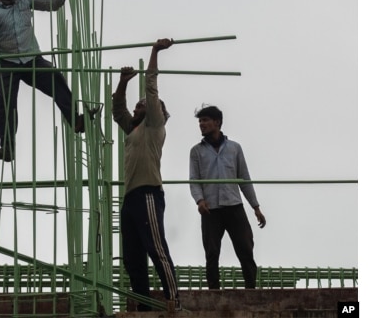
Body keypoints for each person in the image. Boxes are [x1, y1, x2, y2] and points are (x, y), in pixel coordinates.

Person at [0, 0, 85, 163]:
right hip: (5, 62)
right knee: (5, 105)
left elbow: (53, 4)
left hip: (31, 57)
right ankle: (7, 148)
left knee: (55, 79)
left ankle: (75, 120)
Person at [112, 38, 179, 312]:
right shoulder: (133, 129)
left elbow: (151, 87)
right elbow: (117, 110)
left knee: (156, 248)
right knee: (133, 257)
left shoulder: (154, 126)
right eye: (137, 105)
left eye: (144, 105)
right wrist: (123, 81)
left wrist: (154, 52)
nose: (139, 107)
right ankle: (142, 305)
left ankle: (174, 298)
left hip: (149, 192)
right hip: (130, 197)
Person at [189, 104, 267, 289]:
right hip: (210, 209)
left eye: (205, 120)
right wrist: (199, 201)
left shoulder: (234, 148)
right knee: (211, 253)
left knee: (246, 248)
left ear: (217, 122)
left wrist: (256, 207)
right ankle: (214, 292)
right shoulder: (196, 151)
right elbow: (194, 180)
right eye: (200, 121)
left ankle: (251, 290)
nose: (201, 124)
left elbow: (244, 179)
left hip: (234, 206)